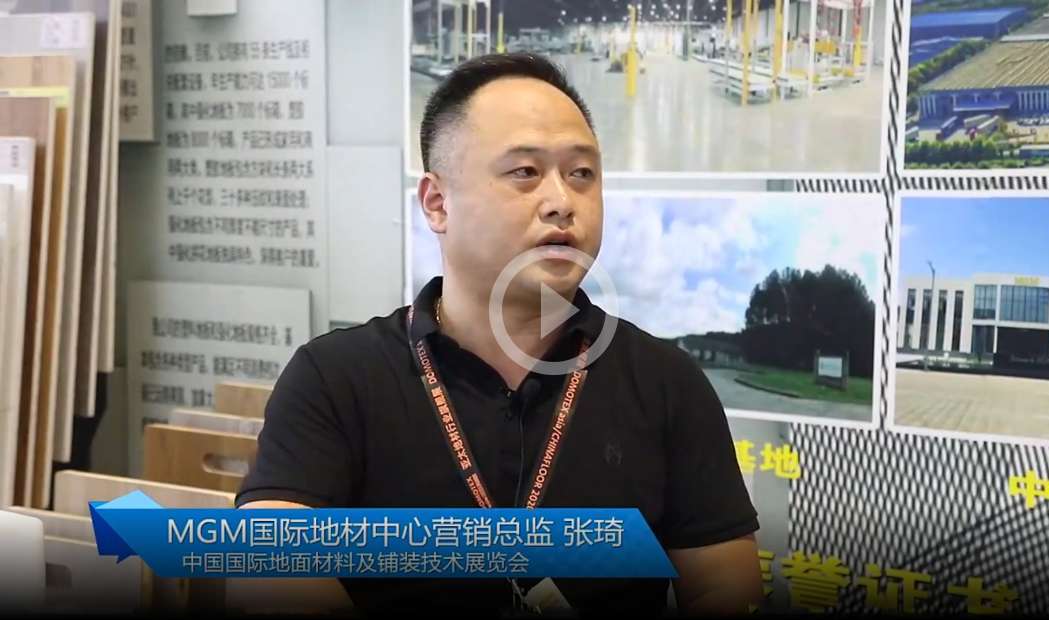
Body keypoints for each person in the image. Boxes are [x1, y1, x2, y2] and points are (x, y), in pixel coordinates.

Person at [236, 52, 763, 615]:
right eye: (525, 172)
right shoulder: (336, 377)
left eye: (581, 174)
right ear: (437, 203)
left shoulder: (665, 383)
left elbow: (724, 585)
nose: (562, 202)